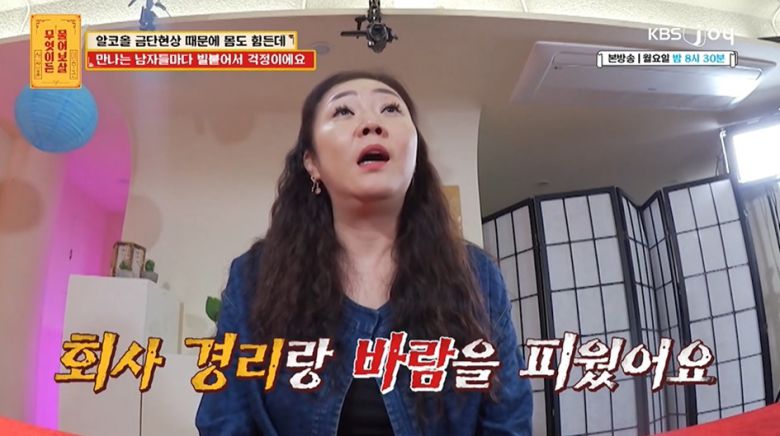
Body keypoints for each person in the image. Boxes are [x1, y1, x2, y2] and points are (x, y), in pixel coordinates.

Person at [195, 70, 532, 435]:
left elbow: (508, 422)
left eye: (390, 109)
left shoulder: (477, 277)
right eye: (343, 112)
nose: (372, 123)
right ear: (312, 163)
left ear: (415, 154)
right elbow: (224, 421)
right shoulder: (254, 278)